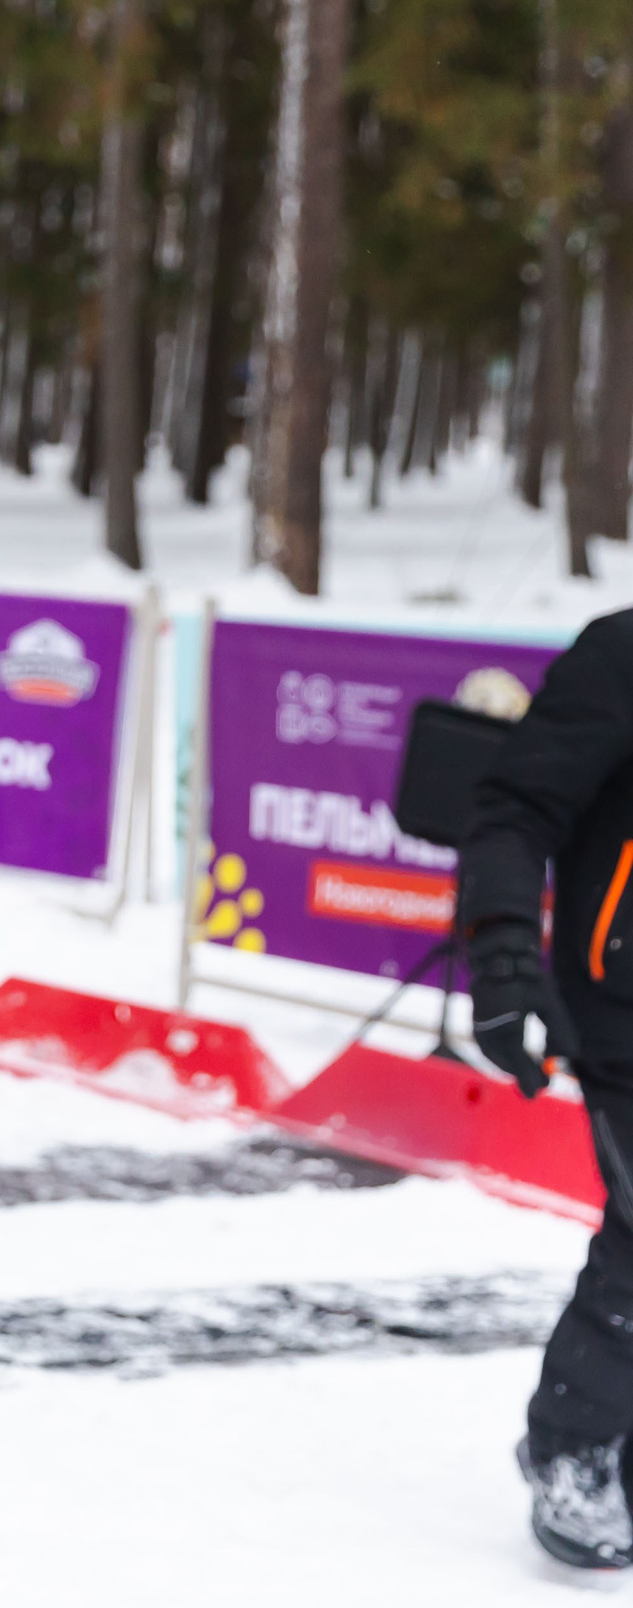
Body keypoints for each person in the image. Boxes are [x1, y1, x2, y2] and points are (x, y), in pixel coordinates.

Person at [460, 609, 633, 1570]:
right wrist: (504, 954)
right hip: (621, 1003)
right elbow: (514, 809)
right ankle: (573, 1451)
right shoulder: (621, 655)